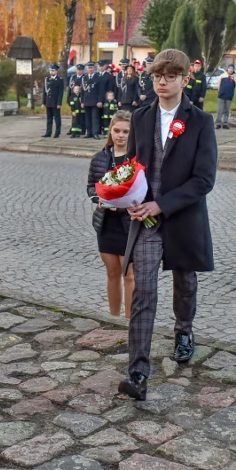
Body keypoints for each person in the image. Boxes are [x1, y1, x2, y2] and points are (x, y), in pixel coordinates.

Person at [117, 49, 218, 401]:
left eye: (170, 76)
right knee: (143, 291)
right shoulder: (141, 117)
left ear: (184, 80)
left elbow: (204, 180)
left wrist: (164, 203)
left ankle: (184, 330)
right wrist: (125, 198)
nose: (162, 81)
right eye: (157, 75)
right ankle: (138, 372)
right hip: (145, 220)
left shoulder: (201, 121)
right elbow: (131, 166)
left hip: (183, 218)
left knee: (184, 282)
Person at [87, 111, 135, 318]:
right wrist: (100, 200)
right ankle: (114, 317)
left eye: (125, 131)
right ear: (111, 131)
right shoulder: (100, 158)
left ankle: (130, 321)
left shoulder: (136, 158)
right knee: (112, 272)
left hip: (129, 223)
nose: (120, 135)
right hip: (106, 223)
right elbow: (91, 187)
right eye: (117, 130)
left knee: (130, 275)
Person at [41, 63, 64, 139]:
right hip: (48, 102)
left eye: (53, 71)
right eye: (51, 70)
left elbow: (60, 93)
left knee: (57, 118)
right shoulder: (47, 79)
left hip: (55, 102)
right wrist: (43, 102)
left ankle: (57, 133)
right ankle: (48, 132)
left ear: (56, 71)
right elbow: (45, 92)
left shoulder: (59, 80)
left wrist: (59, 103)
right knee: (49, 118)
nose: (51, 72)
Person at [81, 62, 103, 138]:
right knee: (87, 117)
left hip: (95, 101)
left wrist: (100, 101)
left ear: (94, 68)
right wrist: (82, 101)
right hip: (86, 100)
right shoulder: (84, 78)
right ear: (87, 69)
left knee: (95, 117)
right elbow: (83, 91)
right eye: (89, 68)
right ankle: (89, 132)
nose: (90, 69)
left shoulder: (98, 77)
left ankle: (95, 133)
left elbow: (100, 90)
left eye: (91, 68)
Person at [216, 63, 236, 130]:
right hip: (221, 95)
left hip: (229, 96)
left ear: (233, 70)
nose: (230, 70)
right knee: (220, 110)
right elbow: (219, 85)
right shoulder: (222, 76)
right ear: (227, 69)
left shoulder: (235, 77)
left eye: (232, 69)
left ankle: (225, 123)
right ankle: (218, 123)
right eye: (229, 68)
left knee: (227, 110)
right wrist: (220, 91)